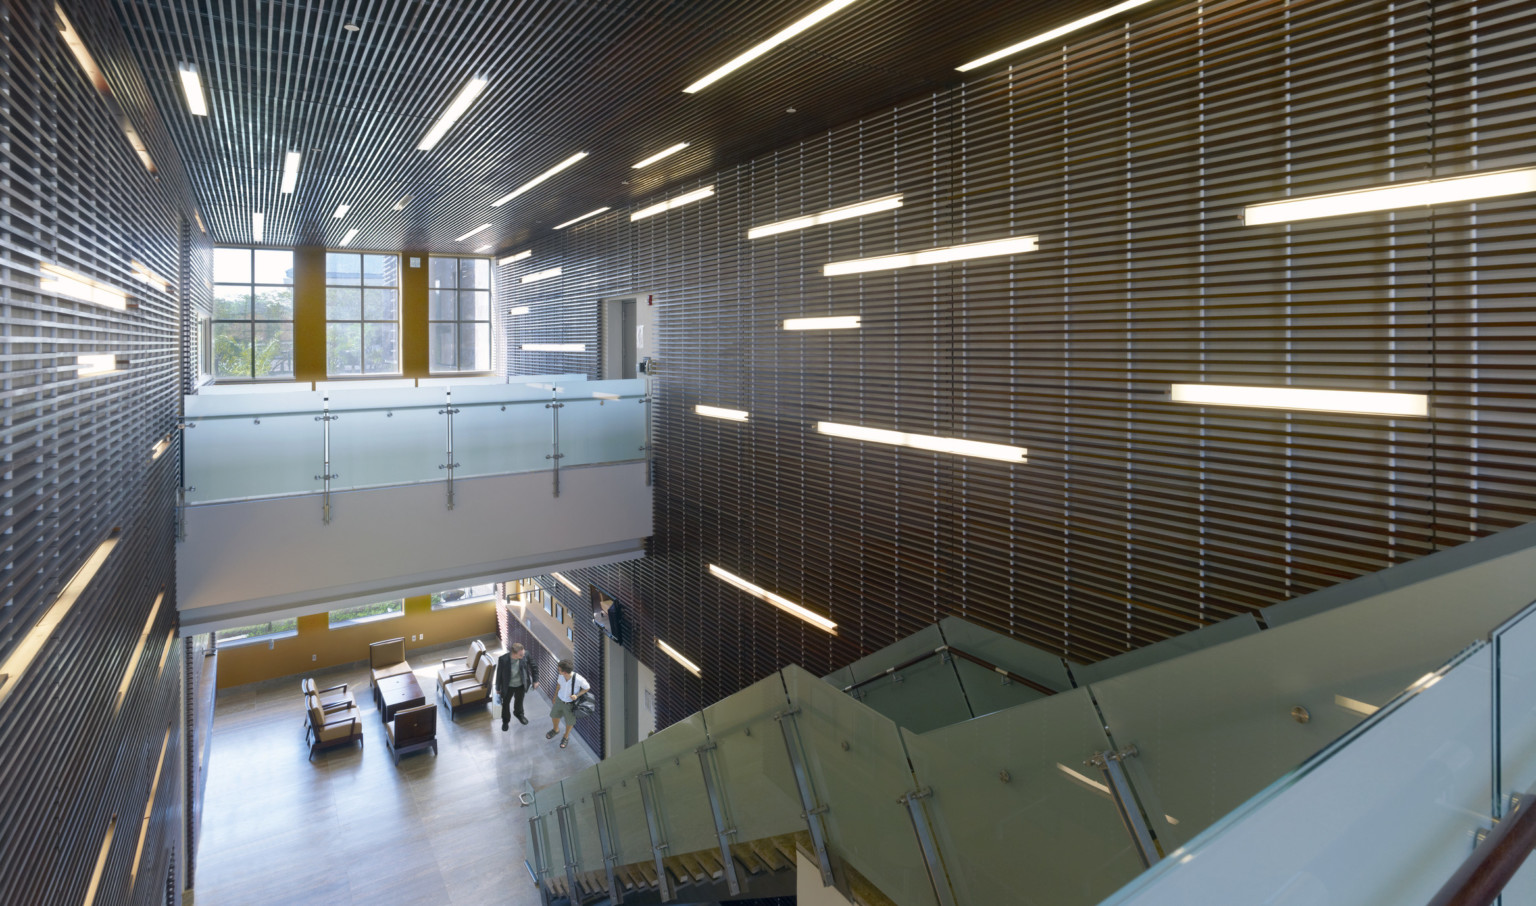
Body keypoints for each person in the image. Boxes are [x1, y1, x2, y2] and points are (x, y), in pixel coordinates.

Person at [546, 658, 590, 749]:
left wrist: (577, 695)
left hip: (570, 704)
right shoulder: (561, 676)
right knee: (554, 715)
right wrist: (555, 697)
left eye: (559, 669)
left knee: (570, 721)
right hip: (559, 699)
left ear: (565, 672)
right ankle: (555, 730)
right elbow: (558, 685)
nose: (558, 671)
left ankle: (565, 737)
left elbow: (587, 688)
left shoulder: (578, 679)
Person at [494, 643, 539, 731]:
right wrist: (497, 688)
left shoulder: (526, 654)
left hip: (521, 684)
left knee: (519, 700)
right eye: (521, 655)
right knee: (505, 703)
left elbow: (534, 667)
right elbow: (498, 674)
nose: (523, 655)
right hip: (508, 686)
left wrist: (535, 680)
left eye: (523, 653)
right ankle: (506, 721)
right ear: (514, 654)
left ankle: (519, 714)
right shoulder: (503, 659)